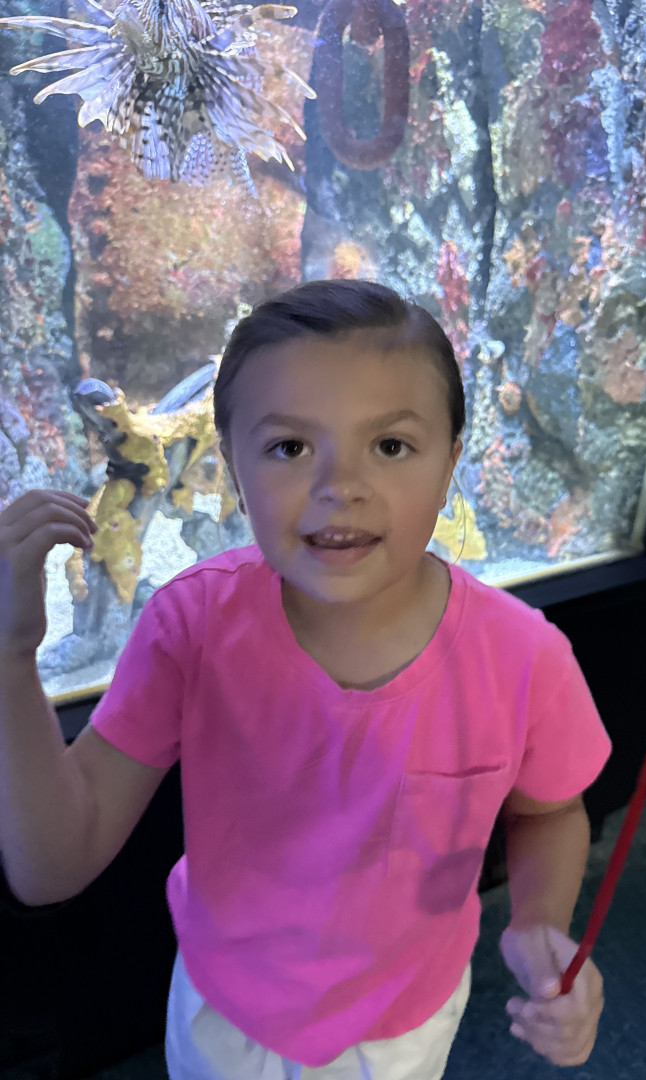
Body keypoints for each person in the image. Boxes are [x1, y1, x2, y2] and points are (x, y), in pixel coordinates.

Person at [0, 280, 611, 1080]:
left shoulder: (526, 657)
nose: (339, 486)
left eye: (390, 445)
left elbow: (550, 811)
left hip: (405, 1024)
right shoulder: (192, 625)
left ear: (451, 462)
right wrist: (10, 657)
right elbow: (52, 863)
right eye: (290, 447)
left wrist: (538, 921)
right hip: (224, 1011)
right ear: (232, 468)